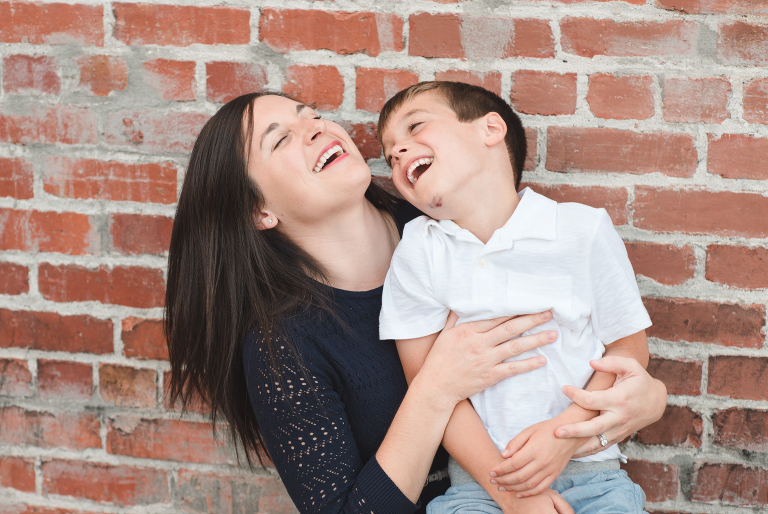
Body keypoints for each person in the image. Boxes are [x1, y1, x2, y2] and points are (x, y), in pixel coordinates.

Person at [164, 90, 668, 514]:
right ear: (259, 211)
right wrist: (435, 389)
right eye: (282, 139)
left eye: (311, 115)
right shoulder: (283, 346)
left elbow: (617, 356)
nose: (315, 128)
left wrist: (640, 403)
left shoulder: (449, 228)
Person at [377, 81, 651, 513]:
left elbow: (629, 351)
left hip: (594, 478)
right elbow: (428, 386)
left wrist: (564, 435)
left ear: (490, 130)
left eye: (415, 127)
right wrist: (513, 495)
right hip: (479, 487)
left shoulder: (582, 230)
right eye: (390, 154)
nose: (398, 154)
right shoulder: (418, 248)